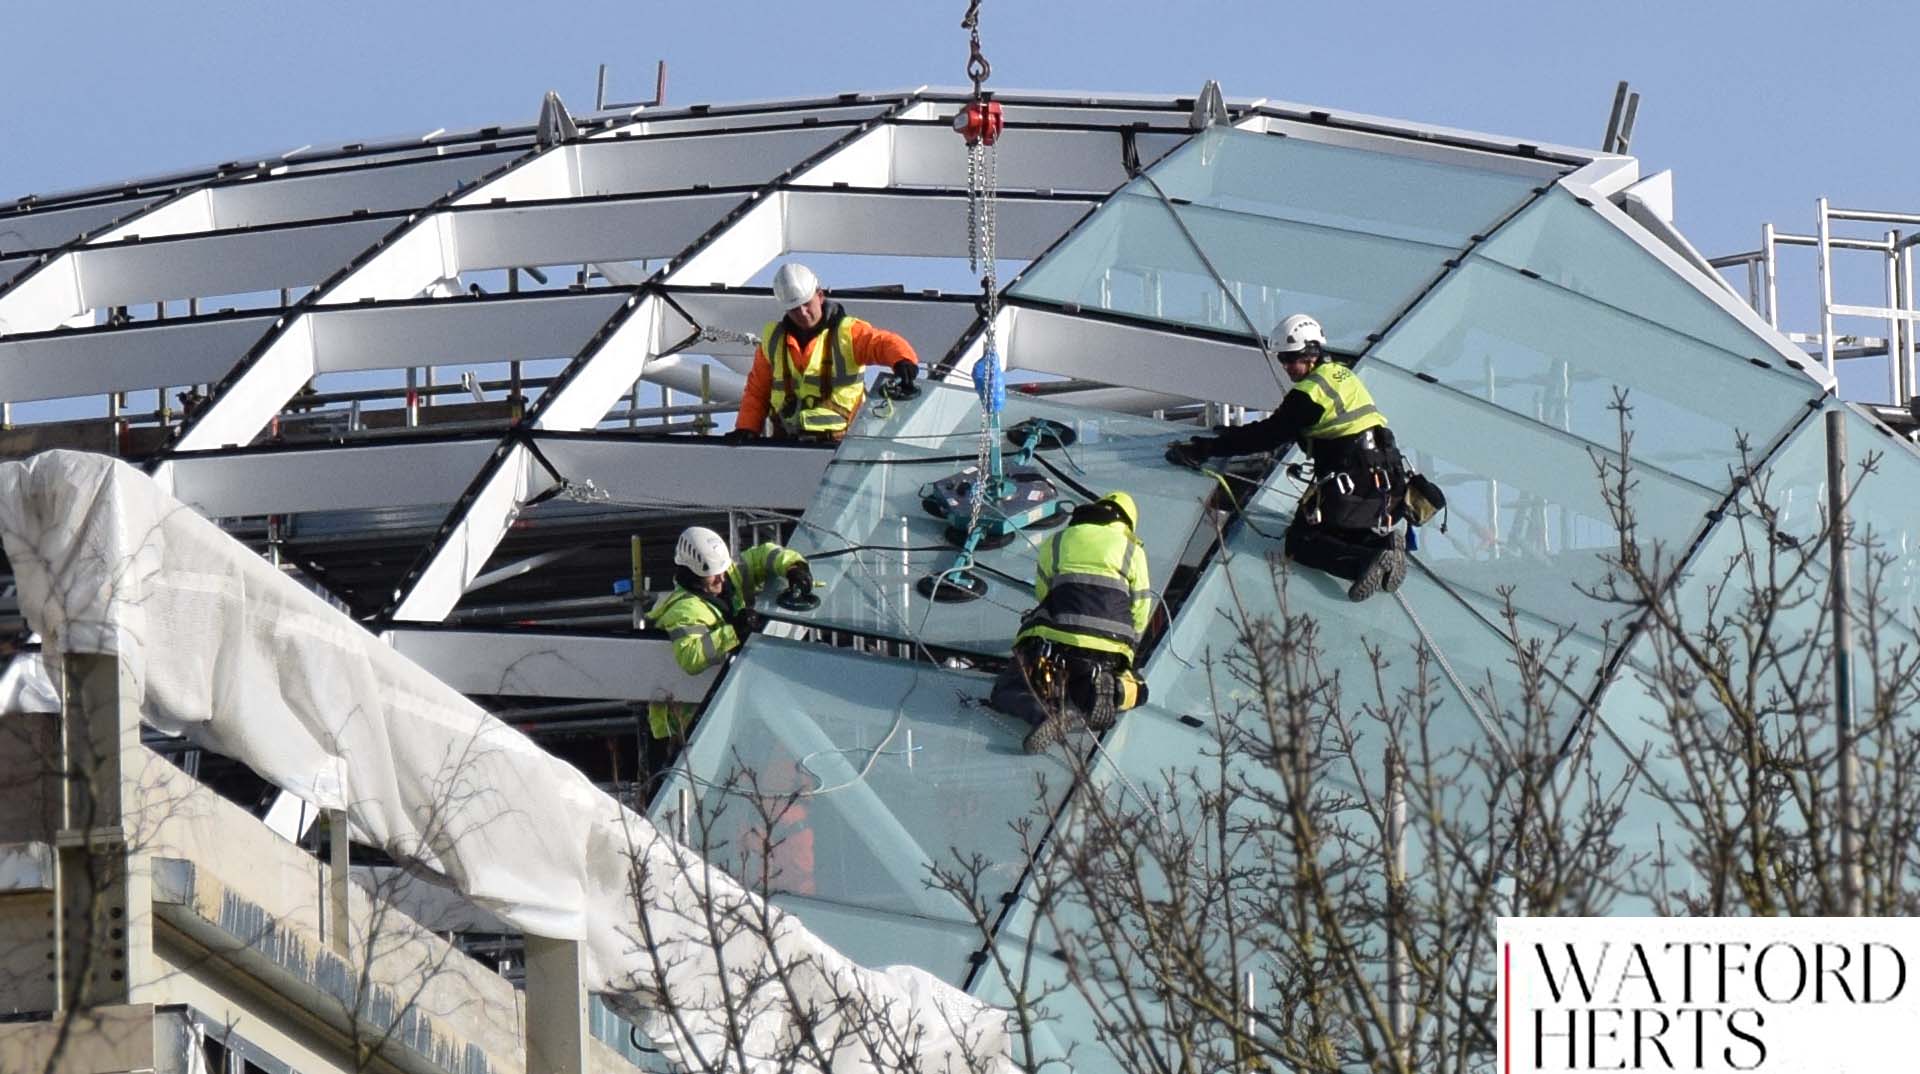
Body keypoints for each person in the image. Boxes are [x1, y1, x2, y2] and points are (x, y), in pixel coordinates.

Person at [1165, 312, 1409, 602]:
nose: (1287, 367)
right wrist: (1229, 435)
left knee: (1301, 541)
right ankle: (1381, 544)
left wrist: (1204, 449)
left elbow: (1269, 436)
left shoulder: (1309, 393)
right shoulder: (1342, 375)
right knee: (1335, 530)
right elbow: (1287, 427)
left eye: (1292, 358)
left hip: (1351, 476)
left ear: (1313, 352)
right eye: (1283, 359)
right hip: (1380, 474)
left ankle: (1364, 563)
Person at [989, 492, 1153, 753]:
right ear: (1126, 522)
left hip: (1055, 642)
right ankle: (1115, 689)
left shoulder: (1057, 541)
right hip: (1109, 647)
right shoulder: (1132, 549)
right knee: (1137, 690)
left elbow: (1044, 594)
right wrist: (1124, 649)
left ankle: (1043, 713)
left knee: (1007, 689)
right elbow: (1141, 608)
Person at [643, 525, 811, 741]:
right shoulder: (684, 610)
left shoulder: (727, 577)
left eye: (722, 572)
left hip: (722, 700)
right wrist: (733, 632)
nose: (722, 581)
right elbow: (690, 656)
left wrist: (793, 567)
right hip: (691, 719)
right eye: (713, 576)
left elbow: (764, 555)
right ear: (693, 573)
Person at [728, 262, 920, 441]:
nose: (802, 313)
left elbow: (882, 342)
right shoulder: (774, 340)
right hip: (787, 445)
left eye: (806, 304)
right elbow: (757, 391)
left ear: (819, 295)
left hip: (838, 446)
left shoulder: (847, 333)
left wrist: (903, 359)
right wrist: (747, 428)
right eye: (794, 309)